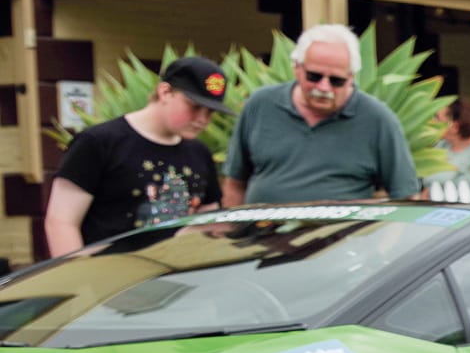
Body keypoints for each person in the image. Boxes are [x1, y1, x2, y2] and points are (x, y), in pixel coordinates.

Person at [44, 55, 229, 254]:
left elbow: (207, 217)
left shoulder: (198, 152)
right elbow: (61, 222)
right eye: (194, 106)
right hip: (110, 277)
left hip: (178, 278)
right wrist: (74, 280)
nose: (202, 119)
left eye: (210, 112)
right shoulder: (99, 142)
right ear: (165, 92)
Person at [223, 24, 419, 206]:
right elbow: (235, 183)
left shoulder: (378, 119)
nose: (324, 87)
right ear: (297, 68)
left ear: (351, 77)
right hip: (262, 237)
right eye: (314, 77)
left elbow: (405, 197)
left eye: (337, 80)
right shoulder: (261, 105)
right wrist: (230, 236)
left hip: (341, 241)